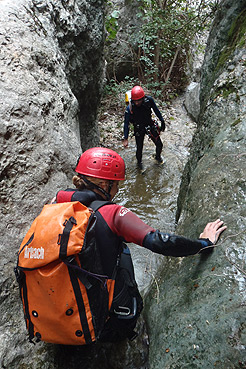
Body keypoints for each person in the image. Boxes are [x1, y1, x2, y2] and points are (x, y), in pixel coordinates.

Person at [55, 147, 227, 342]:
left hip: (57, 303)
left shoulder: (56, 203)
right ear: (104, 183)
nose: (117, 190)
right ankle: (119, 323)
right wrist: (204, 242)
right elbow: (160, 242)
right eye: (116, 184)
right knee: (125, 253)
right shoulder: (113, 213)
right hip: (95, 314)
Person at [123, 85, 166, 169]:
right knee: (139, 148)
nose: (137, 103)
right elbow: (126, 123)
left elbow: (156, 110)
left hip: (149, 124)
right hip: (138, 128)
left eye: (139, 100)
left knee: (159, 144)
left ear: (143, 98)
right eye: (135, 101)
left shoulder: (149, 100)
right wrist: (126, 138)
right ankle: (139, 164)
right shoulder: (130, 108)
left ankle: (157, 157)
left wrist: (162, 121)